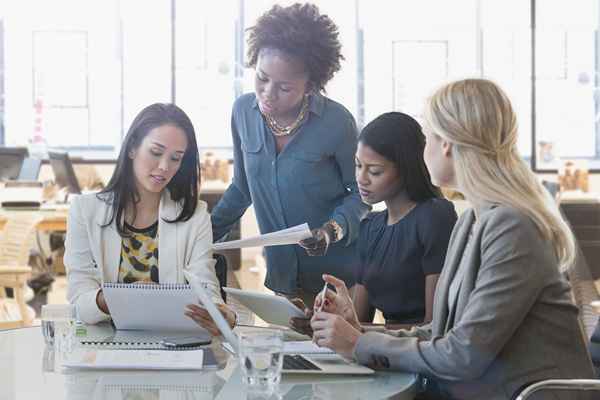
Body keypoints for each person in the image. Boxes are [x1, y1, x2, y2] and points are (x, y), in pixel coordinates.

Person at [310, 79, 595, 400]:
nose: (423, 150)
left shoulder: (513, 226)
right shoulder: (474, 220)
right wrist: (359, 332)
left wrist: (359, 344)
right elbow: (443, 334)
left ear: (446, 144)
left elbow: (463, 355)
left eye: (428, 137)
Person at [211, 3, 369, 307]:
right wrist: (201, 235)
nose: (268, 93)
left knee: (329, 352)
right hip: (283, 273)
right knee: (286, 350)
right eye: (262, 77)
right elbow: (242, 187)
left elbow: (360, 195)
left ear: (310, 86)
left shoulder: (337, 123)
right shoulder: (243, 112)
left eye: (284, 87)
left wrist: (331, 231)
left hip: (335, 276)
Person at [65, 103, 235, 335]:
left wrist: (222, 313)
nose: (164, 167)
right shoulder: (84, 211)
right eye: (156, 153)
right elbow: (78, 298)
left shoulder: (195, 216)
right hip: (103, 343)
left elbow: (205, 286)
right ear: (133, 148)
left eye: (176, 158)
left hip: (172, 346)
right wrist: (116, 298)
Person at [352, 112, 456, 327]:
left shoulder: (435, 217)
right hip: (379, 350)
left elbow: (433, 327)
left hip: (421, 352)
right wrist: (326, 321)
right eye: (358, 165)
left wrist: (354, 330)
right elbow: (358, 322)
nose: (362, 179)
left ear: (406, 169)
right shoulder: (370, 226)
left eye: (375, 171)